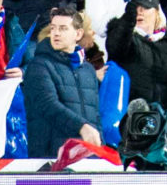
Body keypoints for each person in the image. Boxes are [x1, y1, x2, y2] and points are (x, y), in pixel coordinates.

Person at [23, 10, 109, 158]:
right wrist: (82, 127)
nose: (56, 33)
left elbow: (94, 115)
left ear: (78, 34)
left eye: (63, 28)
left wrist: (100, 148)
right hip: (51, 157)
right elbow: (48, 105)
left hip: (87, 156)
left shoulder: (88, 70)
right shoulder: (38, 65)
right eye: (53, 28)